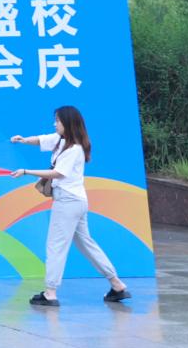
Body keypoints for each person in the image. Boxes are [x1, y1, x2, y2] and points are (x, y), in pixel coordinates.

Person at [13, 106, 130, 308]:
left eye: (57, 121)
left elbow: (58, 173)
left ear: (67, 124)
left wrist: (26, 171)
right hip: (76, 202)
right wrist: (23, 140)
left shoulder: (74, 149)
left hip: (67, 202)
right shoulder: (61, 140)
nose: (54, 124)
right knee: (86, 244)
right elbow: (41, 140)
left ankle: (50, 293)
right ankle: (117, 285)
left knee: (56, 246)